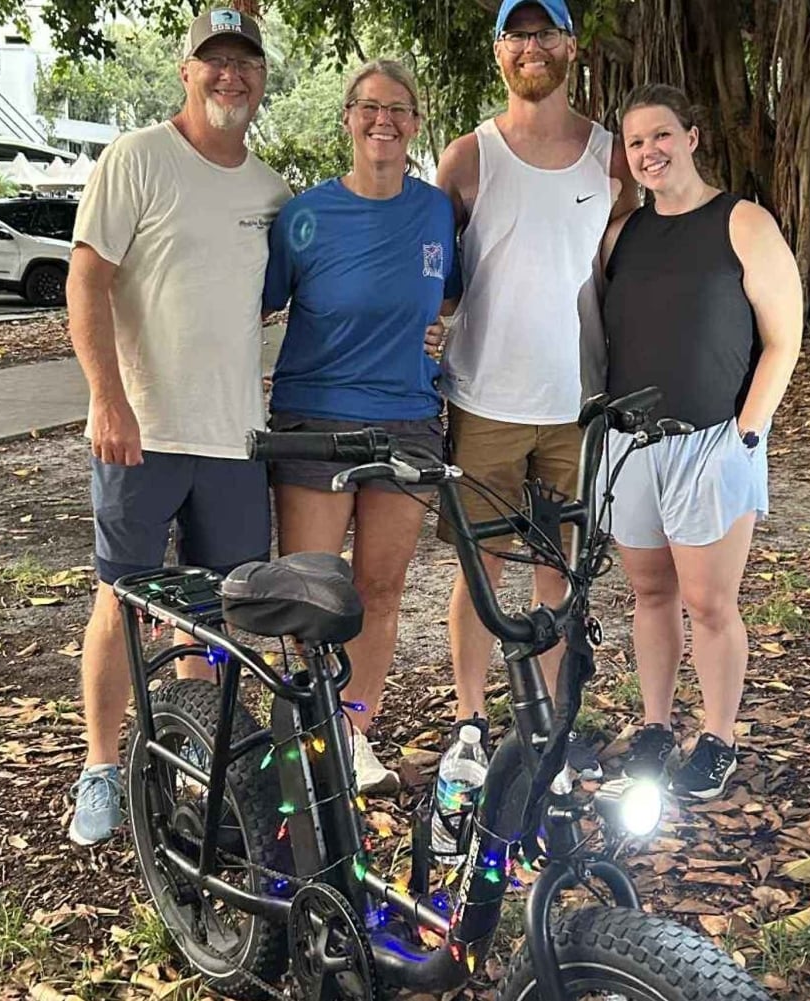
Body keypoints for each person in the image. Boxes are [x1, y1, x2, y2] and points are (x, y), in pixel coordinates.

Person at [65, 6, 291, 845]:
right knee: (119, 598)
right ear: (185, 70)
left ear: (262, 77)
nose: (230, 76)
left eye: (245, 63)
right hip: (142, 429)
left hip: (234, 437)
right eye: (214, 61)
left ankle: (207, 753)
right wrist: (106, 395)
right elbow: (86, 282)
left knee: (218, 610)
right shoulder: (136, 159)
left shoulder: (272, 193)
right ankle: (99, 765)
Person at [433, 0, 636, 776]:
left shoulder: (611, 158)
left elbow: (629, 268)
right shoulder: (468, 158)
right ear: (498, 51)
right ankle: (471, 721)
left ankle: (544, 724)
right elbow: (438, 274)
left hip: (574, 401)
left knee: (558, 569)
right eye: (517, 35)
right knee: (480, 568)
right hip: (484, 395)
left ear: (572, 46)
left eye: (545, 32)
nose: (531, 48)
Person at [599, 84, 802, 799]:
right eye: (634, 144)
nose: (648, 152)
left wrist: (744, 436)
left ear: (691, 135)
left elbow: (783, 339)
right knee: (650, 592)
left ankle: (718, 734)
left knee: (710, 601)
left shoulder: (742, 222)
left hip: (712, 441)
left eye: (660, 136)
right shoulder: (624, 233)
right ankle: (656, 725)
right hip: (631, 444)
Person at [260, 60, 456, 794]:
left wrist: (435, 340)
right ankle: (306, 734)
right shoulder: (303, 216)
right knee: (311, 588)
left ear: (415, 123)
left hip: (406, 418)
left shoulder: (436, 211)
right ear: (347, 119)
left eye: (400, 109)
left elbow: (448, 297)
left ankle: (354, 728)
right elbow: (259, 305)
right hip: (315, 416)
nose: (385, 121)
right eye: (370, 107)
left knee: (380, 586)